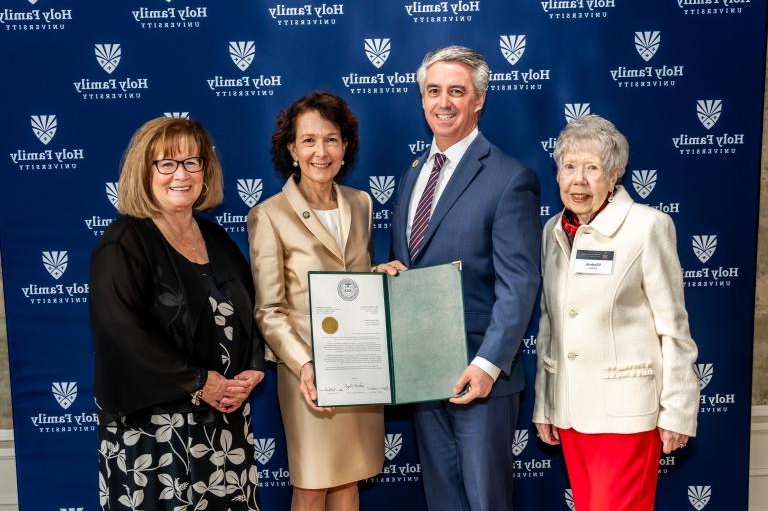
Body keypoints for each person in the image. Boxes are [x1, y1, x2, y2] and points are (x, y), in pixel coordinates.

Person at [377, 46, 541, 510]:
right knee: (444, 502)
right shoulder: (412, 174)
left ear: (479, 100)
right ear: (421, 99)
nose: (443, 102)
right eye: (433, 91)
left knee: (486, 502)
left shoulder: (511, 178)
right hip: (424, 375)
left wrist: (488, 365)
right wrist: (389, 276)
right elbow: (408, 263)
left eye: (456, 91)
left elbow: (519, 284)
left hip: (480, 380)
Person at [90, 117, 265, 511]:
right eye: (166, 164)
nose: (180, 175)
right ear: (144, 171)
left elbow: (247, 311)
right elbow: (120, 331)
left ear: (206, 170)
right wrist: (200, 381)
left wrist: (252, 367)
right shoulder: (124, 241)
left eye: (191, 162)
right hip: (153, 432)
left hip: (223, 426)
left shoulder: (216, 237)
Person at [533, 114, 699, 511]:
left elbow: (673, 329)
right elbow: (550, 323)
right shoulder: (553, 230)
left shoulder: (647, 227)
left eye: (593, 169)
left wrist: (677, 409)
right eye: (569, 167)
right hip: (572, 413)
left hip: (626, 416)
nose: (579, 181)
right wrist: (545, 402)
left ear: (615, 174)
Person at [247, 91, 384, 511]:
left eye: (331, 139)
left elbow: (353, 284)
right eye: (308, 140)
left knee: (349, 476)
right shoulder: (268, 215)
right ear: (291, 149)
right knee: (312, 482)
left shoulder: (361, 204)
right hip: (308, 373)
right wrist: (306, 365)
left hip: (361, 363)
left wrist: (381, 278)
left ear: (345, 147)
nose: (320, 151)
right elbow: (269, 311)